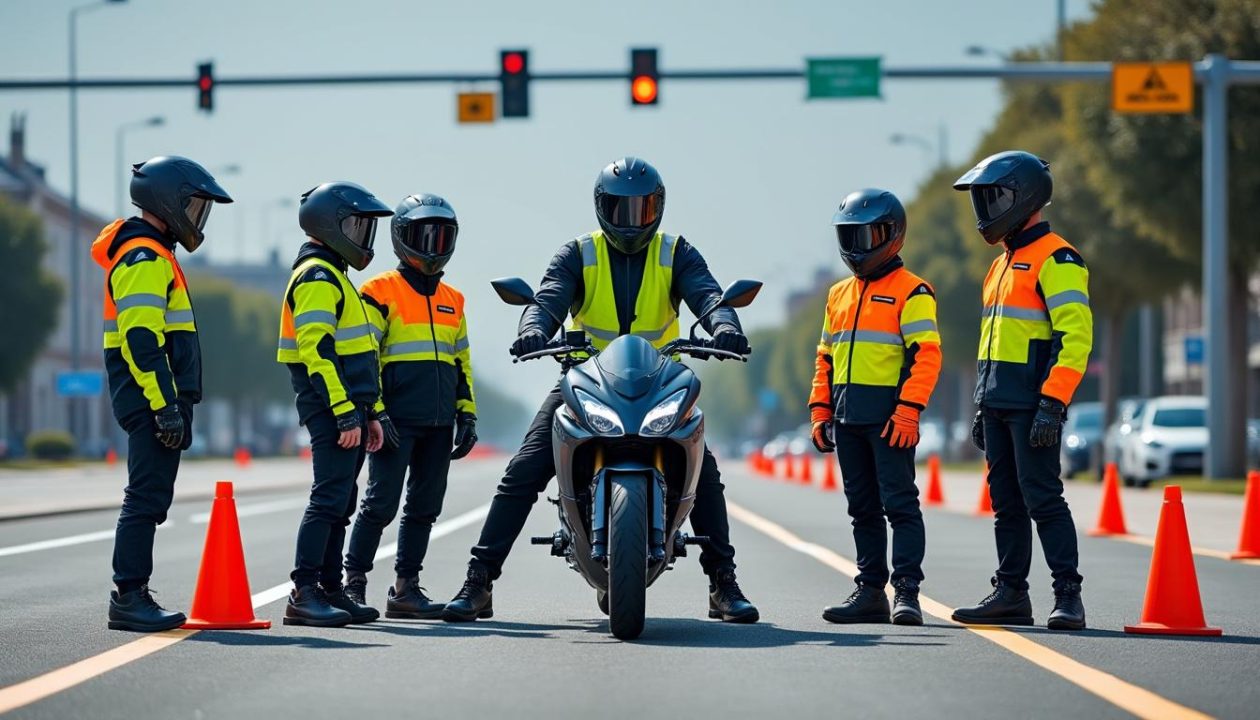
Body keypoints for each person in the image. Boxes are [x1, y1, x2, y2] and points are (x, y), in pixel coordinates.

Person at [443, 157, 758, 624]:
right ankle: (478, 582)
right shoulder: (577, 253)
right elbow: (549, 298)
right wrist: (533, 326)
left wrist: (725, 323)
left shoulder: (677, 252)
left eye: (643, 207)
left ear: (659, 208)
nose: (632, 219)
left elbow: (708, 296)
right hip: (585, 378)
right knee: (524, 469)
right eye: (620, 208)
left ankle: (723, 584)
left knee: (703, 471)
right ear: (599, 207)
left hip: (659, 382)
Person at [950, 151, 1092, 631]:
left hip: (1034, 406)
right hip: (997, 404)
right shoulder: (1000, 265)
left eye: (994, 197)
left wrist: (1053, 403)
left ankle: (1067, 596)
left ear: (1025, 196)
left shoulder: (1059, 259)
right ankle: (1011, 593)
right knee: (1006, 502)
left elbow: (1075, 340)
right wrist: (979, 404)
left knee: (1043, 498)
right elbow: (994, 339)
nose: (986, 209)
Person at [92, 156, 233, 631]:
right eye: (193, 206)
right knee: (144, 497)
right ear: (167, 203)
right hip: (151, 398)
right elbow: (140, 339)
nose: (197, 218)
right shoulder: (143, 258)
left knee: (151, 497)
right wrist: (165, 405)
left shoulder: (154, 254)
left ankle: (132, 593)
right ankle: (129, 596)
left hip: (157, 397)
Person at [807, 189, 941, 626]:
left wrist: (909, 410)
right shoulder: (838, 295)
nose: (859, 246)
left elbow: (927, 355)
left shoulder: (913, 290)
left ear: (893, 235)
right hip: (847, 420)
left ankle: (906, 593)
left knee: (900, 506)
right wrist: (820, 410)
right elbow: (825, 357)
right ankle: (869, 591)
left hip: (889, 421)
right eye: (851, 236)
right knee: (861, 508)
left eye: (869, 235)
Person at [341, 194, 477, 619]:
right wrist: (374, 411)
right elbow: (365, 357)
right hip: (395, 422)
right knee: (380, 505)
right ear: (402, 239)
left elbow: (462, 362)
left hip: (439, 423)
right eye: (425, 236)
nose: (435, 246)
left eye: (443, 237)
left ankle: (405, 589)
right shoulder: (377, 292)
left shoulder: (454, 298)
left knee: (424, 508)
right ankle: (353, 584)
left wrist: (467, 412)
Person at [277, 181, 394, 627]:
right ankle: (304, 591)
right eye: (357, 225)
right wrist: (345, 412)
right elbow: (316, 351)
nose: (364, 236)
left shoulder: (336, 276)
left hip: (351, 406)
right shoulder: (318, 277)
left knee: (344, 498)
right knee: (328, 497)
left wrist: (373, 412)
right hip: (330, 405)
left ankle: (329, 588)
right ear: (330, 226)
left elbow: (361, 357)